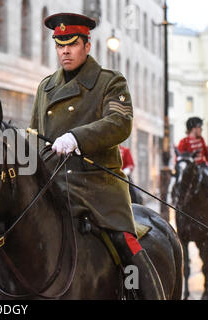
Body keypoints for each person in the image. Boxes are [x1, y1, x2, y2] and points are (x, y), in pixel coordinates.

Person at [30, 13, 165, 299]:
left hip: (97, 187)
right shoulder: (45, 87)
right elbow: (34, 134)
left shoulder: (110, 82)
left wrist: (77, 137)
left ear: (87, 45)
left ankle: (145, 295)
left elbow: (120, 123)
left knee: (125, 245)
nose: (64, 51)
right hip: (53, 185)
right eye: (59, 45)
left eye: (71, 44)